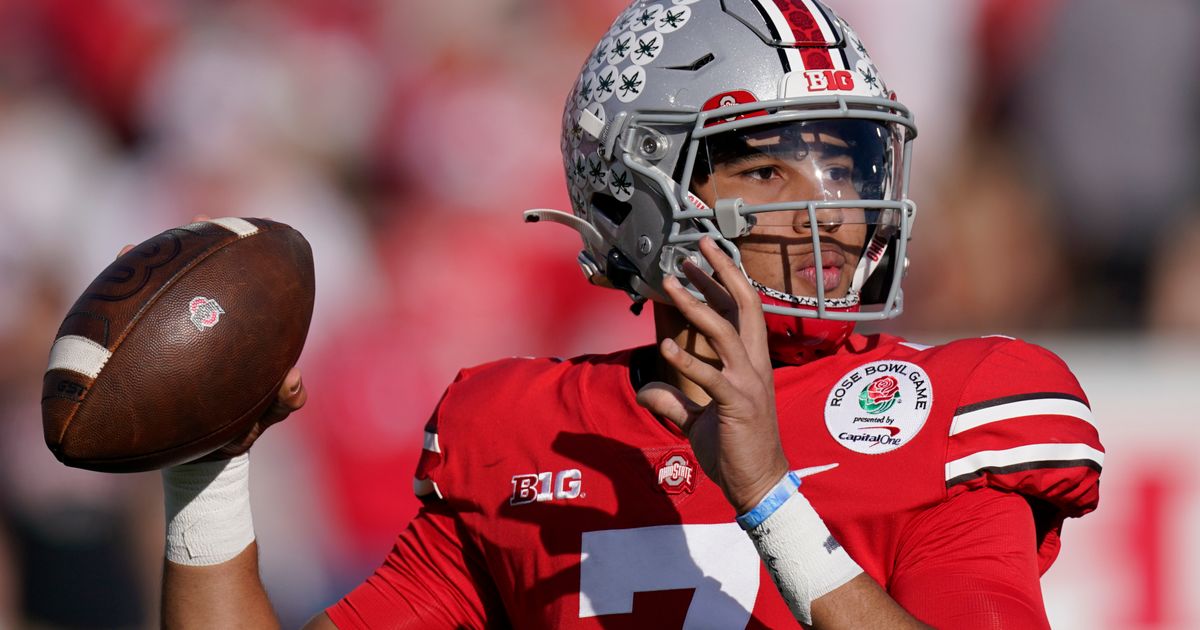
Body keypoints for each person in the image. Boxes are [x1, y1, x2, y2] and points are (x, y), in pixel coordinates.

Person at [159, 1, 1104, 627]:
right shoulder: (527, 435)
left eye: (848, 165)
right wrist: (207, 474)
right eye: (771, 168)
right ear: (639, 197)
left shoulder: (953, 405)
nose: (838, 211)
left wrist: (771, 498)